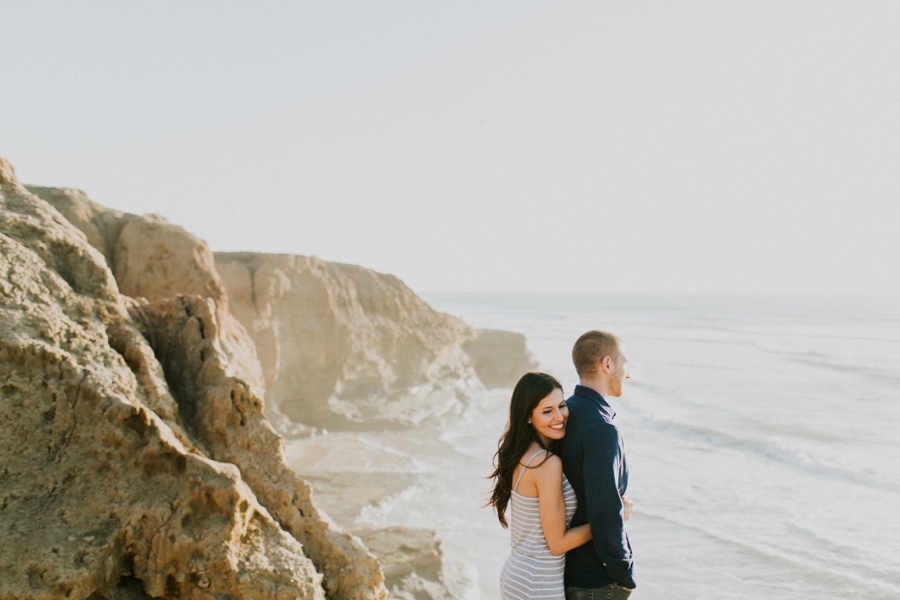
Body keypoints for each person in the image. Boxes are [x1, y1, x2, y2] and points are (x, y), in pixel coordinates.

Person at [489, 372, 593, 600]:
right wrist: (609, 520)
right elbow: (557, 543)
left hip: (519, 573)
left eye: (562, 406)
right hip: (537, 582)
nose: (559, 417)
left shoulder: (522, 454)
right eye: (547, 411)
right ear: (528, 416)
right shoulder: (546, 463)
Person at [562, 330, 636, 599]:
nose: (628, 373)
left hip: (567, 570)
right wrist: (625, 575)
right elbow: (605, 516)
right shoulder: (601, 429)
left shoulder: (564, 413)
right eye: (624, 363)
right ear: (607, 364)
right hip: (596, 581)